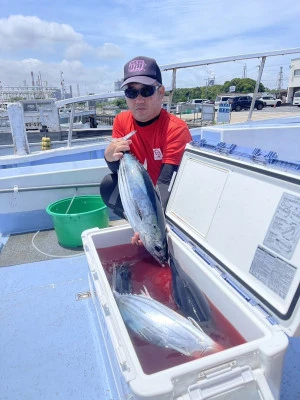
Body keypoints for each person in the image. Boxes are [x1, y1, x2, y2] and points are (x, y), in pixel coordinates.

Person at [100, 55, 192, 244]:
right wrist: (109, 157)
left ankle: (152, 232)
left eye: (146, 91)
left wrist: (152, 222)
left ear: (161, 92)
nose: (139, 100)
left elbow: (166, 183)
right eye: (131, 93)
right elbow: (121, 174)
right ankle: (137, 227)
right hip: (140, 191)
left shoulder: (176, 129)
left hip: (168, 195)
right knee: (108, 185)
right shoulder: (121, 121)